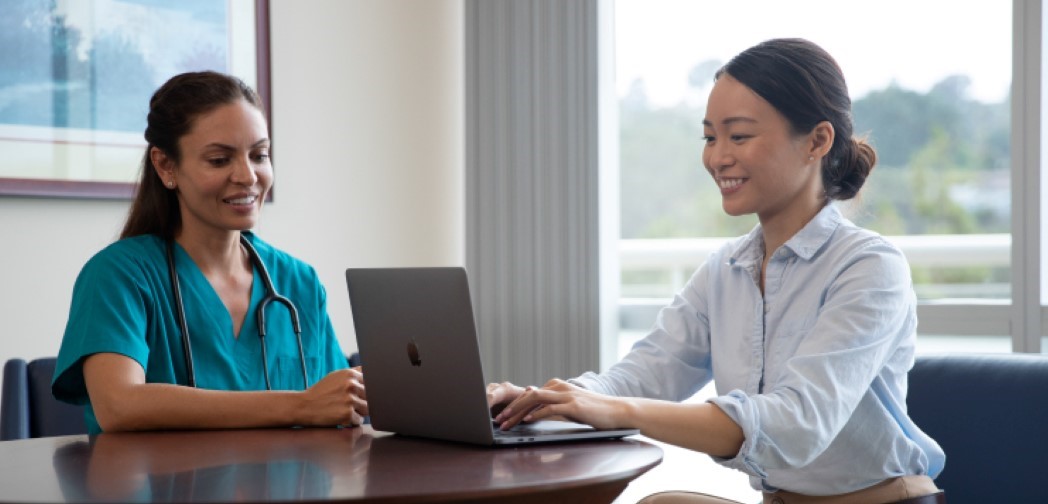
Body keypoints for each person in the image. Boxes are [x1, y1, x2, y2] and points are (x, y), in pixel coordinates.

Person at [487, 38, 946, 504]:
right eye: (710, 137)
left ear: (817, 141)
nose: (717, 157)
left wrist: (615, 410)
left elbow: (796, 426)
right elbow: (640, 377)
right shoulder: (724, 271)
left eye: (739, 136)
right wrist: (540, 402)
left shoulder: (869, 267)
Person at [52, 71, 367, 434]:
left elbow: (340, 412)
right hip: (169, 491)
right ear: (166, 166)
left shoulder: (298, 282)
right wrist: (299, 405)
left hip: (292, 490)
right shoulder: (119, 275)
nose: (248, 176)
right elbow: (119, 405)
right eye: (220, 160)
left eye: (259, 155)